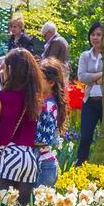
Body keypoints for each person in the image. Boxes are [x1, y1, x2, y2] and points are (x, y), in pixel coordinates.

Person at [0, 49, 44, 205]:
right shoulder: (35, 98)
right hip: (28, 158)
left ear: (10, 70)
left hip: (8, 156)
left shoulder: (2, 98)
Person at [36, 57, 68, 187]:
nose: (36, 81)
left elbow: (43, 139)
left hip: (43, 167)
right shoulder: (44, 102)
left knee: (35, 205)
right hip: (42, 163)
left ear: (51, 82)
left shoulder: (48, 107)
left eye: (40, 78)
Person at [75, 22, 104, 164]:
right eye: (93, 34)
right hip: (90, 101)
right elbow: (81, 77)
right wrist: (100, 77)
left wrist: (92, 77)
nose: (95, 38)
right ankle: (80, 164)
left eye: (98, 34)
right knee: (86, 136)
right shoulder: (85, 56)